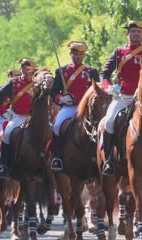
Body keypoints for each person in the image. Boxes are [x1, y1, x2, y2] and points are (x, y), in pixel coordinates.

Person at [100, 20, 142, 176]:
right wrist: (108, 87)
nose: (136, 34)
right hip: (123, 96)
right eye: (133, 31)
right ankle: (108, 160)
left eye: (139, 32)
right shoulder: (118, 52)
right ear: (127, 34)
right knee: (108, 122)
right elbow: (104, 74)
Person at [50, 41, 100, 171]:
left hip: (87, 108)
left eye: (81, 54)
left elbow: (99, 90)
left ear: (84, 56)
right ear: (71, 54)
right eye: (76, 54)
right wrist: (61, 98)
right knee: (57, 126)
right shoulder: (62, 71)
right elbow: (54, 92)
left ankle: (103, 156)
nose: (78, 57)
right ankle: (57, 157)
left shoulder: (91, 71)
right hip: (70, 107)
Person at [0, 57, 37, 178]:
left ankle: (54, 161)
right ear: (21, 69)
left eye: (30, 70)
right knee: (7, 134)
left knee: (52, 130)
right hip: (17, 116)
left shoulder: (37, 84)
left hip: (33, 117)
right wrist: (4, 113)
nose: (27, 72)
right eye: (24, 69)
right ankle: (5, 165)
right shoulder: (13, 83)